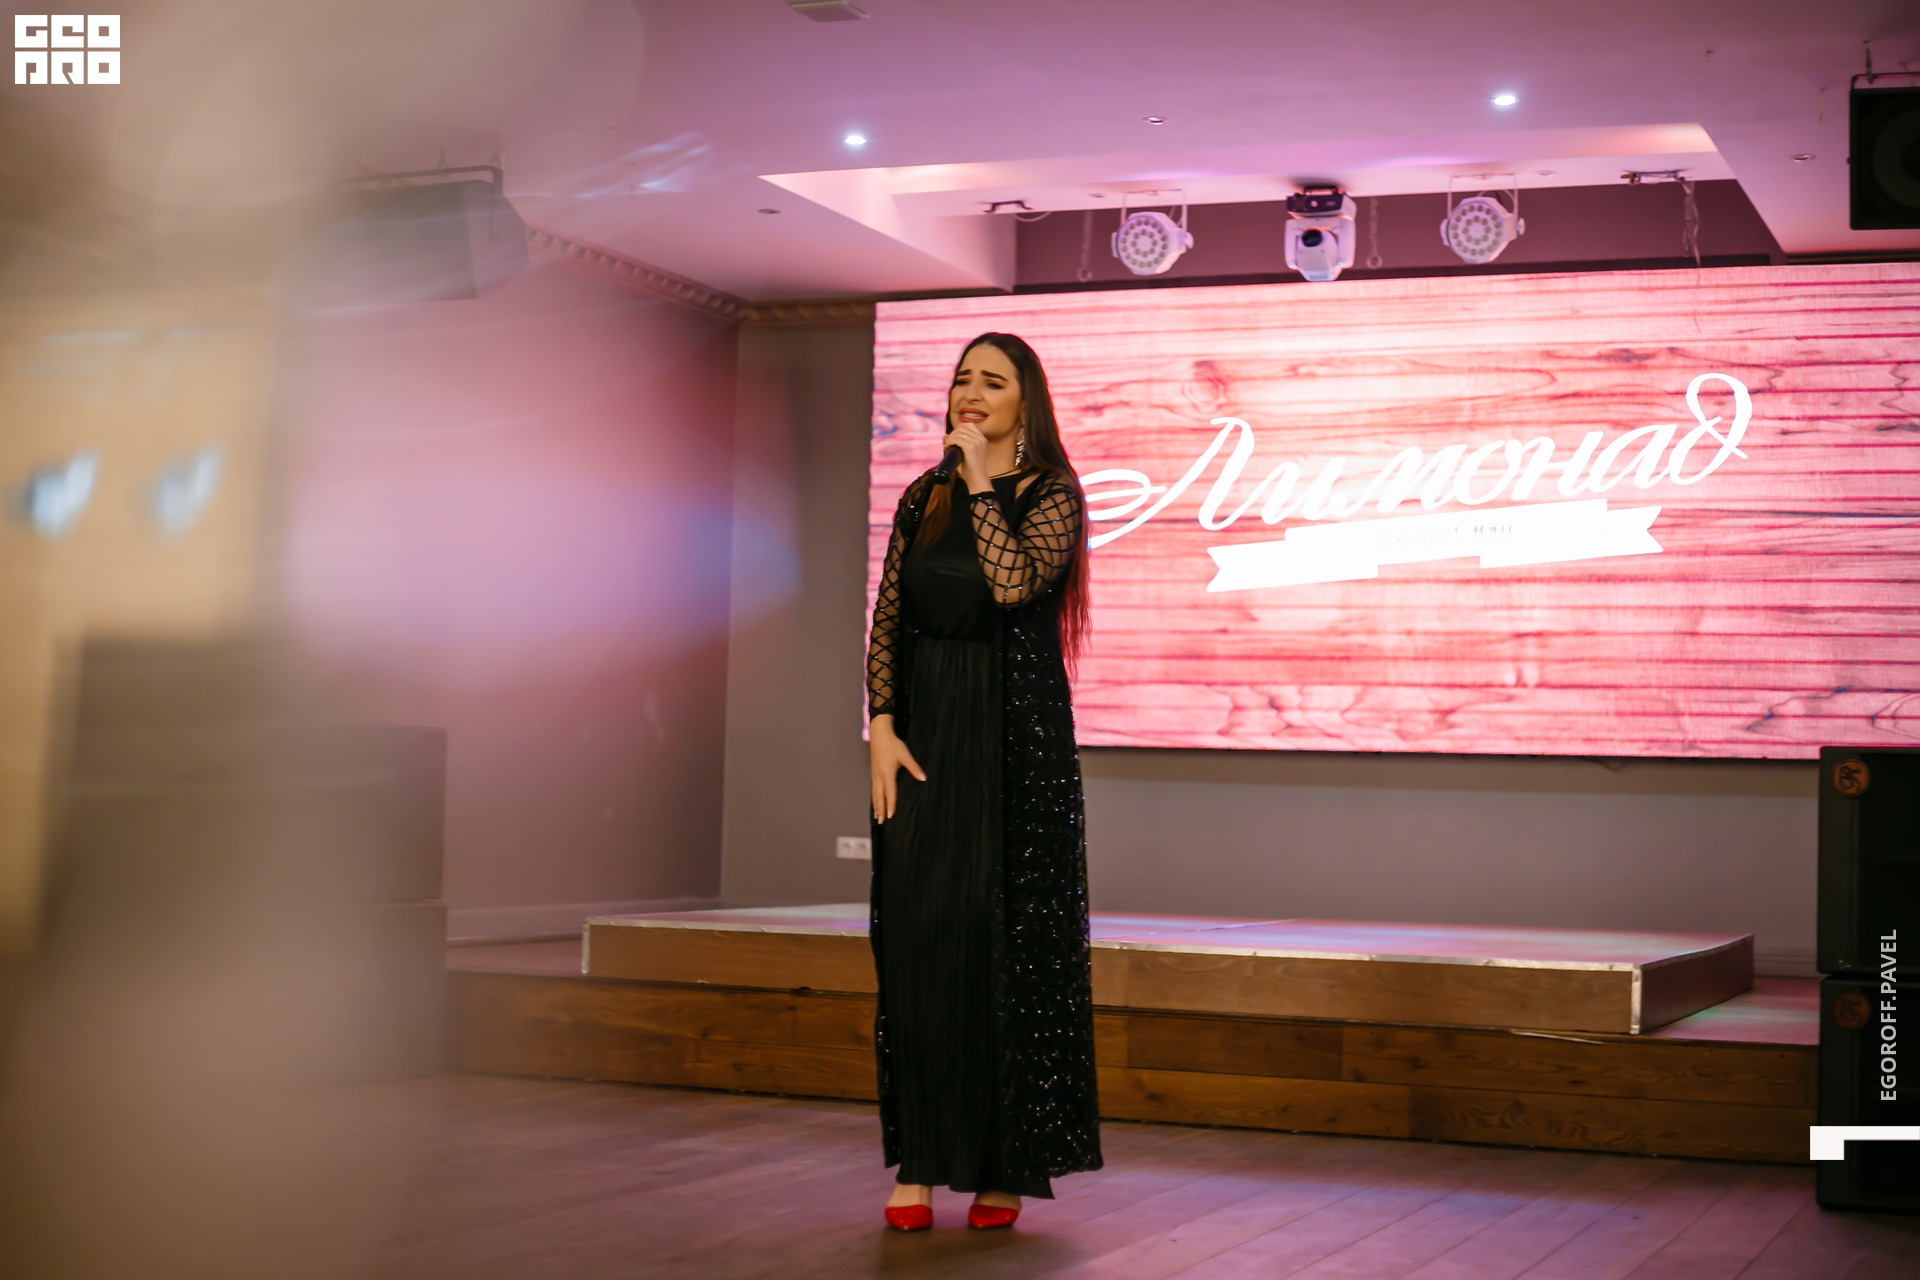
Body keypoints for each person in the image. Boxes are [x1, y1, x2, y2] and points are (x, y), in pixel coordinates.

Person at [865, 332, 1101, 1233]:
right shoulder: (920, 496)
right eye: (962, 378)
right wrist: (882, 727)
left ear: (1023, 402)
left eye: (991, 382)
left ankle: (1003, 1166)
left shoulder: (1052, 494)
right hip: (927, 735)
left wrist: (975, 480)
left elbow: (1011, 586)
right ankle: (920, 1161)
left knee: (1002, 940)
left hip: (1014, 739)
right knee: (920, 938)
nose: (970, 392)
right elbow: (891, 617)